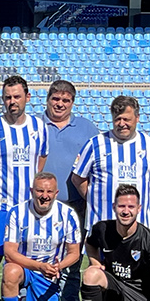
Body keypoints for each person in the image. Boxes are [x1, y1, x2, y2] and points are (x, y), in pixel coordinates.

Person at [0, 74, 48, 271]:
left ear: (27, 97)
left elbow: (41, 159)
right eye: (8, 97)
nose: (12, 101)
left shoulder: (39, 127)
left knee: (24, 258)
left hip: (28, 207)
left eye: (16, 96)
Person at [0, 171, 82, 301]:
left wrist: (58, 267)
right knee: (11, 271)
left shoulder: (68, 215)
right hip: (24, 268)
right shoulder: (17, 212)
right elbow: (9, 252)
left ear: (56, 193)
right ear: (32, 191)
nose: (45, 196)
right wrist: (38, 266)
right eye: (40, 191)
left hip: (48, 274)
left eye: (49, 192)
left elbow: (74, 252)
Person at [73, 95, 150, 227]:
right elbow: (78, 178)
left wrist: (144, 196)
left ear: (137, 118)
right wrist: (95, 199)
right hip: (102, 226)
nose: (122, 124)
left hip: (141, 227)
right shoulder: (95, 144)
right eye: (117, 119)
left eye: (126, 119)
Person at [41, 78, 100, 220]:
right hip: (40, 203)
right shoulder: (33, 125)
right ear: (47, 99)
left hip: (77, 205)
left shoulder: (87, 128)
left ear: (72, 103)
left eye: (65, 100)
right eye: (55, 99)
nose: (60, 104)